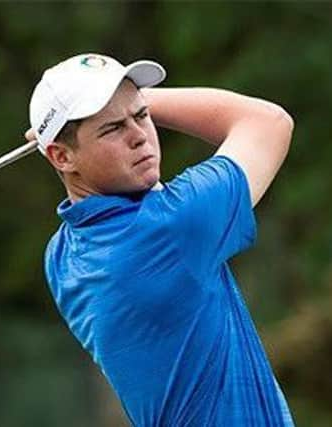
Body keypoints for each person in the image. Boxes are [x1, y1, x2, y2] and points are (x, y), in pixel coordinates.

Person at [25, 53, 295, 426]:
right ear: (61, 156)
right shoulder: (170, 227)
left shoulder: (61, 254)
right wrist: (146, 98)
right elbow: (269, 123)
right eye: (112, 128)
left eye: (141, 116)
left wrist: (103, 108)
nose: (140, 137)